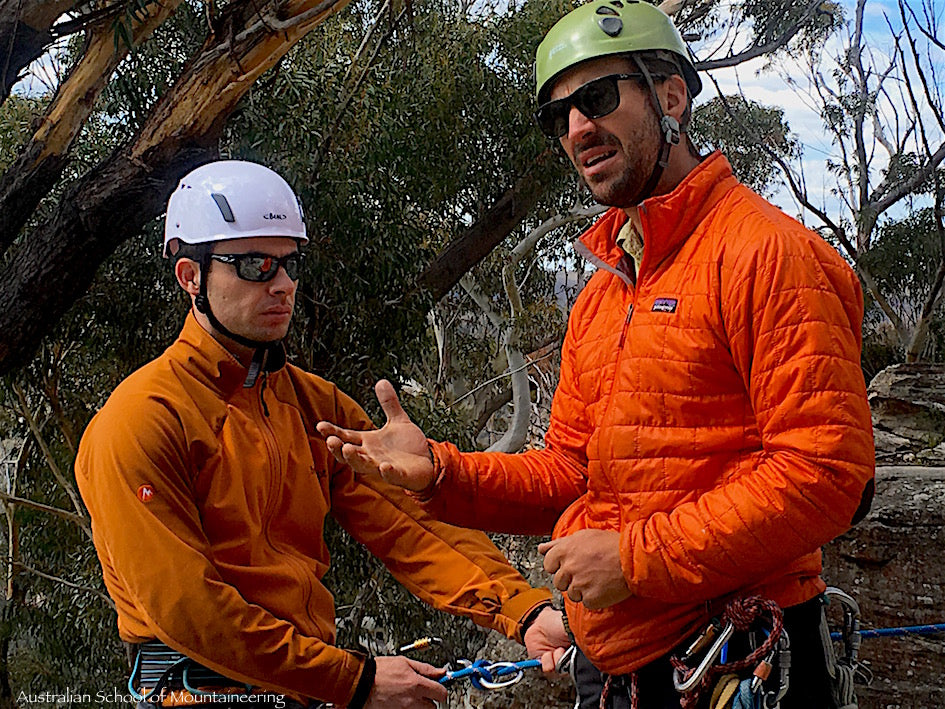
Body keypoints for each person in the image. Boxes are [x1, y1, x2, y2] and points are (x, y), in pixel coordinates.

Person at [314, 3, 877, 708]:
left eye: (598, 98)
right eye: (559, 116)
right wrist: (441, 472)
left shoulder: (769, 255)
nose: (578, 127)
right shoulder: (607, 288)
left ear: (671, 95)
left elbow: (827, 475)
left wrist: (638, 559)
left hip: (737, 662)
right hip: (621, 670)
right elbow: (570, 471)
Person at [74, 160, 560, 709]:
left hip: (306, 686)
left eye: (290, 263)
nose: (283, 285)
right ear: (191, 276)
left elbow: (408, 525)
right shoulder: (141, 421)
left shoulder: (312, 405)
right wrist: (354, 680)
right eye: (255, 265)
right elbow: (191, 610)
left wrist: (525, 611)